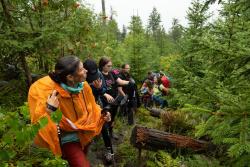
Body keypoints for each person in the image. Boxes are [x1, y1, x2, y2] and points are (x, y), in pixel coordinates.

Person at [28, 56, 111, 167]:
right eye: (82, 69)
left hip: (85, 134)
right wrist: (49, 111)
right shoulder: (48, 92)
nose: (86, 70)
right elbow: (39, 124)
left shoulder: (84, 86)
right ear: (70, 77)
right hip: (68, 139)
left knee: (81, 158)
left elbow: (92, 106)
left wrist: (102, 114)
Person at [98, 57, 134, 162]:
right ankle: (105, 137)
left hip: (115, 101)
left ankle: (111, 132)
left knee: (112, 118)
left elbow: (120, 81)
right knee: (105, 119)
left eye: (111, 66)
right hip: (104, 102)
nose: (110, 67)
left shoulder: (112, 74)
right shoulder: (99, 75)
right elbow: (97, 89)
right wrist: (104, 95)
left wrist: (129, 83)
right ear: (102, 66)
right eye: (108, 66)